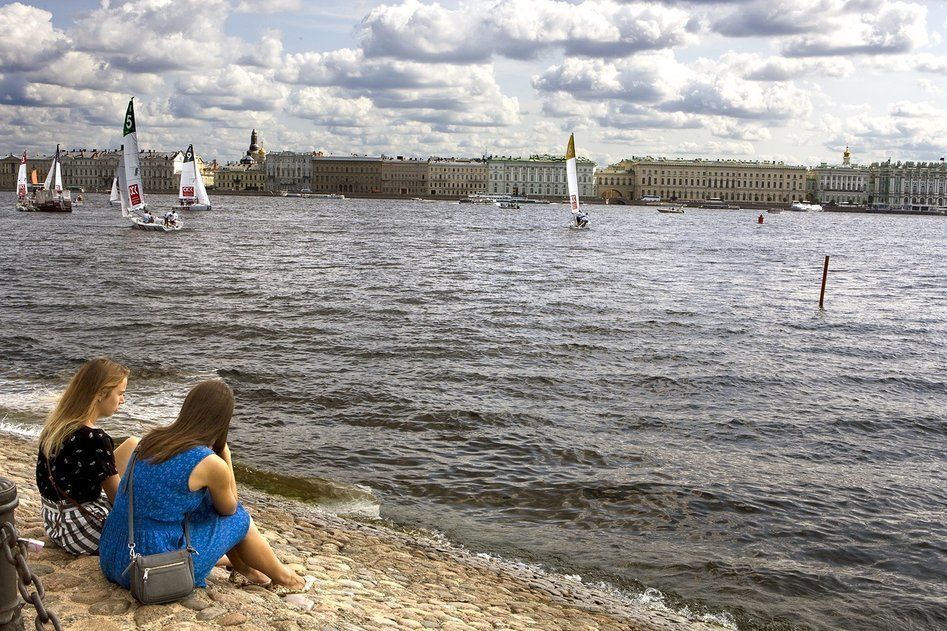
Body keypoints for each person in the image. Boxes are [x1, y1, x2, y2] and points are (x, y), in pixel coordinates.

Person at [98, 379, 313, 594]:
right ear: (222, 421)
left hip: (114, 556)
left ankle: (247, 570)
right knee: (240, 518)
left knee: (202, 501)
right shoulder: (207, 462)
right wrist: (225, 455)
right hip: (155, 569)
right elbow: (231, 509)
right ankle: (287, 579)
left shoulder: (147, 441)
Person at [35, 358, 140, 555]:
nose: (123, 400)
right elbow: (119, 501)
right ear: (101, 393)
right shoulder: (95, 438)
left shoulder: (57, 425)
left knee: (134, 443)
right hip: (81, 530)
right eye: (120, 394)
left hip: (55, 521)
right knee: (155, 536)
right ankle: (208, 556)